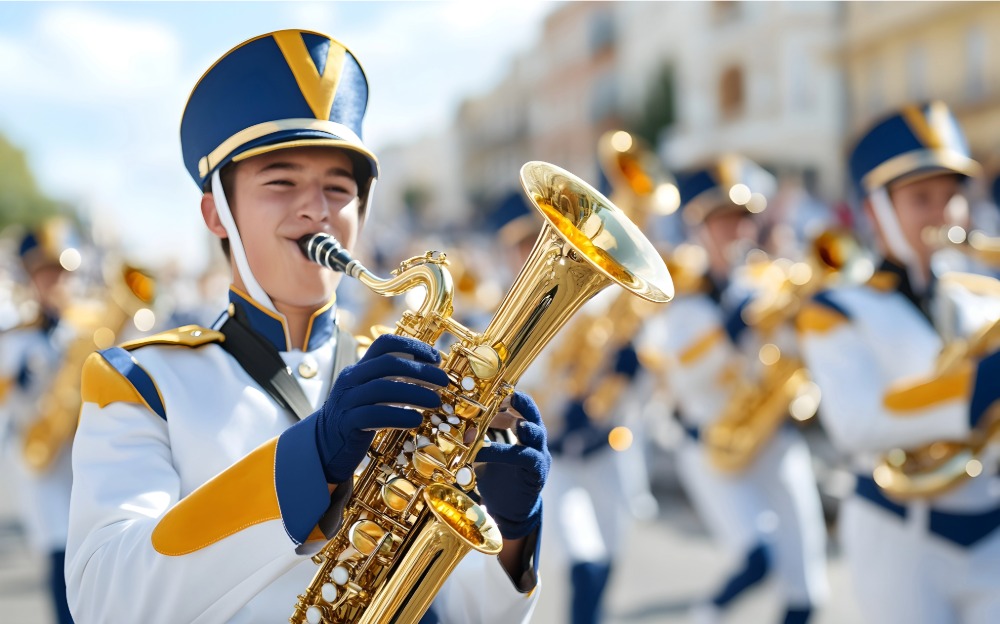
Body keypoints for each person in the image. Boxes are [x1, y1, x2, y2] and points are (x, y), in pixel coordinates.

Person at [66, 29, 550, 623]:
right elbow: (105, 601)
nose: (316, 208)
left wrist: (512, 536)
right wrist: (306, 463)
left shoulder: (402, 380)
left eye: (338, 188)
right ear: (217, 212)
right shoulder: (143, 380)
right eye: (281, 181)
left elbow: (463, 613)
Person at [797, 101, 1000, 624]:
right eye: (922, 198)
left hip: (989, 526)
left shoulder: (983, 295)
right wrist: (981, 384)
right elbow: (858, 423)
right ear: (878, 209)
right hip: (899, 538)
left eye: (953, 196)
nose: (945, 214)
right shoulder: (835, 310)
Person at [646, 156, 828, 624]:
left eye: (744, 220)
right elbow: (683, 374)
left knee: (806, 580)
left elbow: (796, 350)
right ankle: (706, 614)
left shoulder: (767, 279)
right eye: (725, 221)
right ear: (700, 228)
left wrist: (794, 317)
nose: (737, 231)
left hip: (772, 434)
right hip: (712, 443)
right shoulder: (680, 296)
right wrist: (730, 327)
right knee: (756, 559)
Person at [0, 220, 79, 624]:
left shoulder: (84, 328)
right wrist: (25, 381)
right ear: (32, 279)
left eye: (61, 273)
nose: (55, 283)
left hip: (81, 456)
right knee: (58, 553)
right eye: (46, 274)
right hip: (42, 459)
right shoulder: (14, 338)